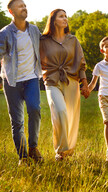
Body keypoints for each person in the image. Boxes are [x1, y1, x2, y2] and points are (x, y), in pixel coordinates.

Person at [0, 0, 43, 165]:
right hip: (11, 82)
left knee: (34, 109)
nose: (24, 8)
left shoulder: (34, 30)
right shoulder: (4, 33)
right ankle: (23, 157)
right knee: (17, 121)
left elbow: (46, 48)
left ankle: (33, 148)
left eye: (25, 5)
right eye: (20, 6)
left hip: (32, 78)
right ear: (11, 11)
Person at [40, 9, 89, 161]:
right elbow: (35, 59)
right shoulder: (43, 41)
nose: (65, 18)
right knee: (60, 111)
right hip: (52, 81)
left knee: (71, 117)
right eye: (61, 16)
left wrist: (85, 83)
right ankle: (61, 151)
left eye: (66, 16)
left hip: (71, 81)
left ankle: (67, 153)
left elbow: (81, 63)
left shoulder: (73, 40)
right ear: (53, 20)